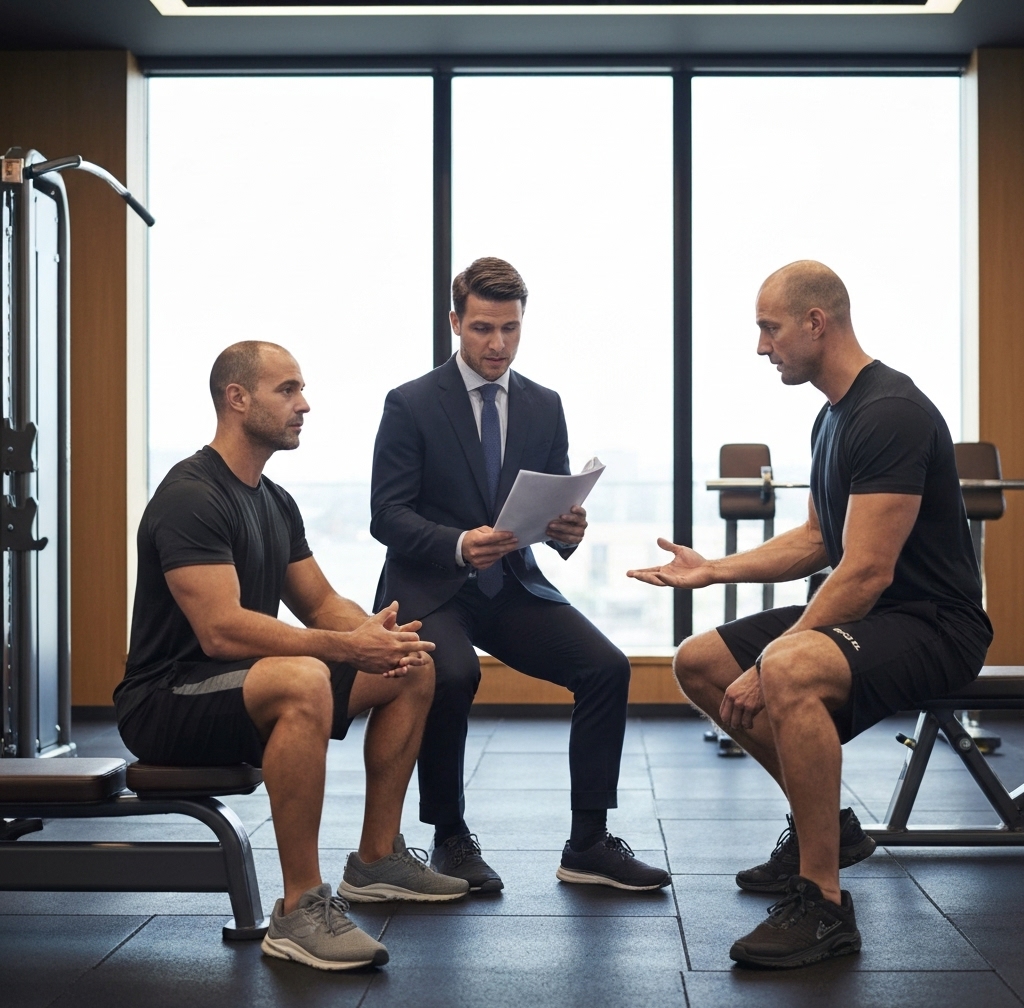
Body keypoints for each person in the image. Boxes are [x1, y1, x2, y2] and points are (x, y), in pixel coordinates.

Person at [628, 260, 992, 968]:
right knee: (699, 661)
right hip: (882, 612)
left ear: (816, 323)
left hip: (936, 623)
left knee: (786, 667)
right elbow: (820, 539)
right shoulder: (834, 414)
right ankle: (827, 828)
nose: (762, 347)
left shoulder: (890, 412)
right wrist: (712, 569)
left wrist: (772, 664)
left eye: (770, 328)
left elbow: (866, 570)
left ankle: (823, 902)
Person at [113, 341, 469, 974]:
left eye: (301, 390)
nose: (304, 404)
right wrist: (340, 647)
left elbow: (322, 600)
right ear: (237, 398)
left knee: (410, 666)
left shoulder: (272, 501)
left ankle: (376, 859)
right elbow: (221, 631)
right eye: (287, 390)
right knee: (305, 678)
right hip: (168, 699)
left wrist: (375, 637)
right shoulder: (191, 494)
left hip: (241, 684)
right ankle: (301, 908)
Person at [370, 257, 669, 893]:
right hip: (433, 587)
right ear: (455, 322)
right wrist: (456, 543)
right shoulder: (411, 404)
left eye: (510, 329)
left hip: (509, 585)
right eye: (482, 328)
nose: (497, 344)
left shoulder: (543, 405)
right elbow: (386, 516)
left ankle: (588, 841)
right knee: (453, 672)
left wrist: (566, 531)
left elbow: (548, 505)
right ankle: (449, 836)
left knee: (607, 667)